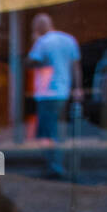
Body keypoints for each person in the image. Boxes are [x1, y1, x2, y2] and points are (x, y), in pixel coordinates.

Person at [27, 13, 81, 179]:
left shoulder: (42, 43)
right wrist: (78, 88)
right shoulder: (69, 40)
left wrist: (35, 41)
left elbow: (30, 62)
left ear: (38, 28)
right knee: (57, 129)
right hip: (62, 91)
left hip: (46, 92)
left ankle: (54, 165)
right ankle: (57, 163)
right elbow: (75, 67)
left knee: (48, 132)